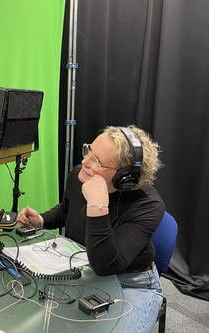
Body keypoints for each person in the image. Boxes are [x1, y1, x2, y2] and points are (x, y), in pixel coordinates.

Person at [17, 125, 164, 333]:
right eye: (89, 151)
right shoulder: (81, 174)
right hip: (85, 269)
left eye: (97, 161)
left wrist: (98, 206)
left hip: (132, 282)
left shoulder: (148, 205)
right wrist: (40, 220)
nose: (85, 161)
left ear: (125, 176)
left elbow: (107, 266)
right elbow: (67, 209)